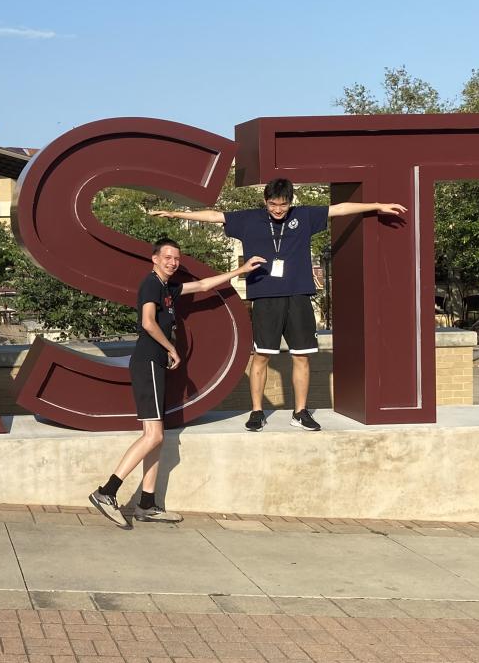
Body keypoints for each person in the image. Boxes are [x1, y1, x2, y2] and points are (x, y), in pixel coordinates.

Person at [152, 180, 406, 433]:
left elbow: (338, 209)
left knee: (302, 356)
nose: (278, 210)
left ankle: (300, 412)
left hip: (298, 295)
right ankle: (257, 411)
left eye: (283, 205)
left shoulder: (303, 216)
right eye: (273, 204)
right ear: (265, 201)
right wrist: (176, 213)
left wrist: (378, 205)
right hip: (265, 297)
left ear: (290, 202)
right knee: (261, 356)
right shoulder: (249, 219)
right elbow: (214, 215)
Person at [88, 238, 265, 529]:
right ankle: (106, 492)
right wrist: (171, 348)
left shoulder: (168, 288)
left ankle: (147, 504)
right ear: (154, 259)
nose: (173, 262)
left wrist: (241, 270)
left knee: (156, 436)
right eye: (167, 257)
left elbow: (204, 285)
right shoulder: (151, 284)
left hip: (155, 364)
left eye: (176, 258)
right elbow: (147, 321)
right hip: (148, 363)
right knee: (154, 436)